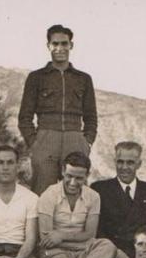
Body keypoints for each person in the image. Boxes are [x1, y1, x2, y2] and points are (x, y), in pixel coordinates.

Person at [18, 24, 97, 195]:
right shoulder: (36, 77)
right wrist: (35, 143)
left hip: (75, 138)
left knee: (76, 192)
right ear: (48, 46)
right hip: (45, 138)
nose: (59, 48)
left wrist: (86, 142)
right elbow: (24, 117)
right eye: (55, 44)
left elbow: (91, 117)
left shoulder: (83, 79)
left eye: (64, 43)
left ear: (71, 45)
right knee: (43, 194)